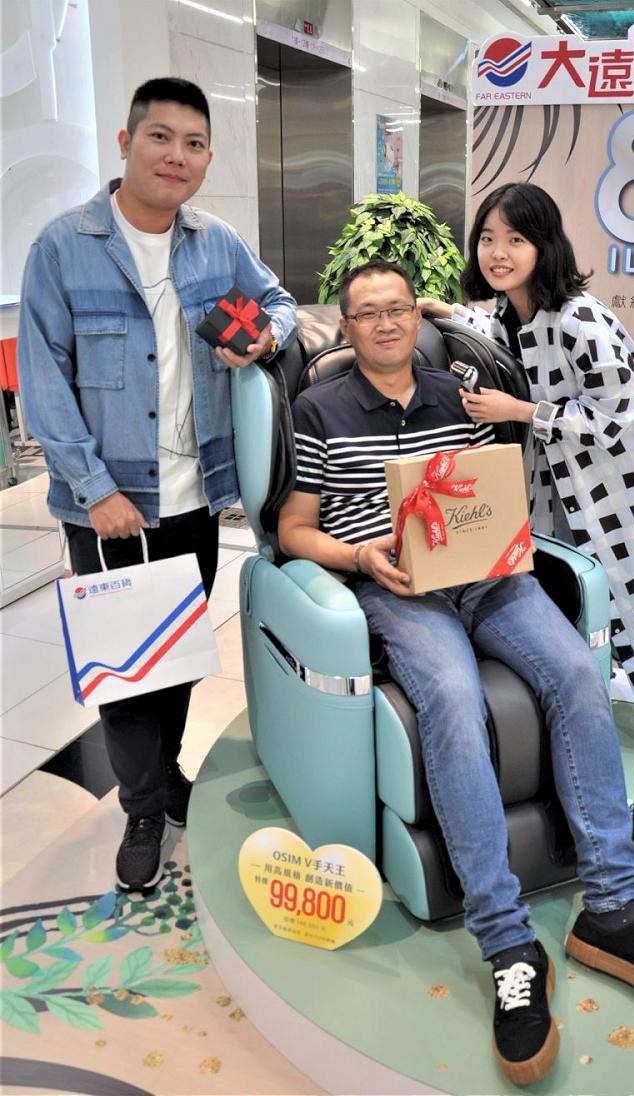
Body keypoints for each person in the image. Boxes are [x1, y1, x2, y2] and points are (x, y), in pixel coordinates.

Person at [278, 259, 634, 1086]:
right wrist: (362, 558)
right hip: (397, 588)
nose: (385, 322)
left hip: (487, 578)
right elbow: (294, 528)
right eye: (367, 312)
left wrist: (502, 542)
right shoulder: (318, 408)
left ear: (417, 318)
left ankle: (615, 908)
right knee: (451, 697)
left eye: (397, 307)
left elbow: (492, 498)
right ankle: (508, 942)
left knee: (578, 673)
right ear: (347, 327)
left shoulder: (459, 394)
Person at [17, 77, 297, 891]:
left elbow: (276, 301)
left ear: (207, 157)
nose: (177, 156)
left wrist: (261, 339)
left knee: (174, 654)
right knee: (125, 665)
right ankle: (143, 808)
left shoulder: (215, 243)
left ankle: (164, 773)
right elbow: (43, 380)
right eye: (161, 138)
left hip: (197, 494)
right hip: (111, 507)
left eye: (194, 144)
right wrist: (94, 488)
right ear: (126, 142)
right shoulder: (63, 247)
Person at [419, 183, 634, 705]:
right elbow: (498, 336)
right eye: (487, 238)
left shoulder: (579, 319)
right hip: (569, 481)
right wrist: (449, 312)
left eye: (516, 239)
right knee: (577, 583)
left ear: (544, 246)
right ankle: (600, 686)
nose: (498, 253)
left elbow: (624, 417)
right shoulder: (510, 310)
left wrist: (520, 411)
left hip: (624, 482)